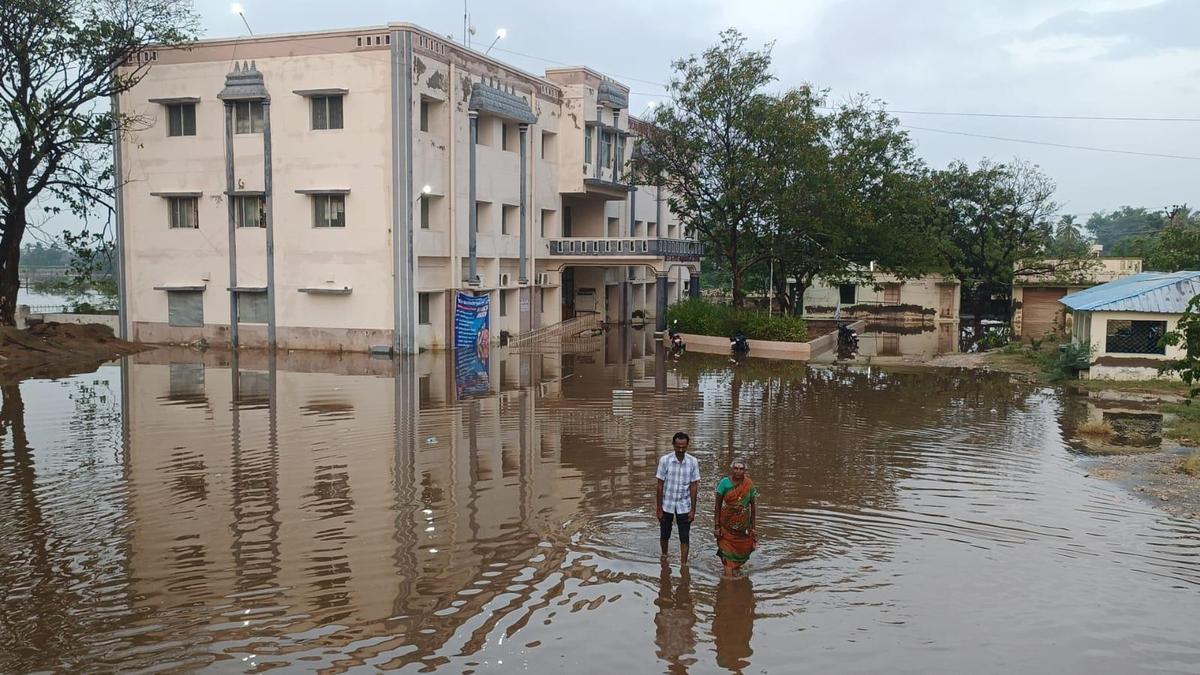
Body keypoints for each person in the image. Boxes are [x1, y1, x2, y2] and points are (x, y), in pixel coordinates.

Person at [656, 432, 700, 566]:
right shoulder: (665, 460)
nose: (680, 450)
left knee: (685, 536)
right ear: (673, 445)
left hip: (684, 504)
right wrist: (658, 508)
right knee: (664, 534)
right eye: (678, 447)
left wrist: (693, 510)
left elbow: (694, 486)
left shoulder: (693, 461)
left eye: (683, 447)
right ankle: (664, 555)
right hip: (667, 503)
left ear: (687, 446)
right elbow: (659, 485)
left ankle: (683, 563)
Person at [713, 458, 757, 577]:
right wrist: (717, 526)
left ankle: (736, 571)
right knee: (727, 554)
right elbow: (717, 506)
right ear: (732, 469)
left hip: (742, 526)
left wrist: (753, 528)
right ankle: (728, 582)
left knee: (741, 551)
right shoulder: (724, 483)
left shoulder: (749, 484)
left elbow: (753, 507)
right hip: (726, 524)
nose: (738, 471)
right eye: (736, 468)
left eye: (741, 469)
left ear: (745, 470)